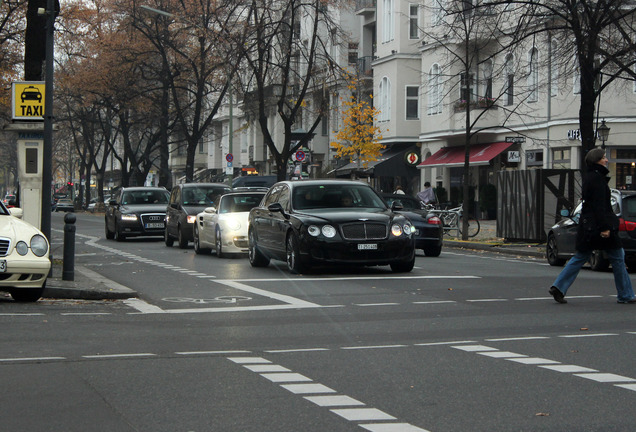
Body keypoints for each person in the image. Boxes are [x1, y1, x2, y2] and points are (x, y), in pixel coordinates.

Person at [549, 147, 636, 304]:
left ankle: (559, 286)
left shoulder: (590, 177)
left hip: (588, 226)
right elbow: (599, 206)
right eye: (603, 157)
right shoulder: (597, 179)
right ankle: (626, 294)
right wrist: (605, 227)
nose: (606, 159)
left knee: (580, 256)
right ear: (596, 160)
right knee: (617, 257)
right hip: (600, 226)